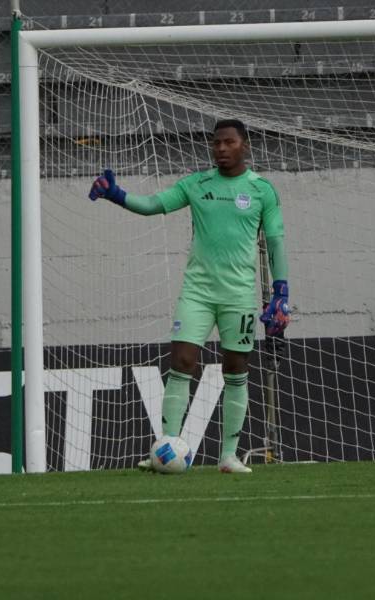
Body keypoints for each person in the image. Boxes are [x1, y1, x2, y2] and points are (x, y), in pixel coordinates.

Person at [88, 118, 290, 474]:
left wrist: (281, 292)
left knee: (236, 369)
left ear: (245, 145)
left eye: (229, 142)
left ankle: (228, 456)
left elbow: (275, 241)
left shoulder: (261, 190)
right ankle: (166, 446)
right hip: (197, 292)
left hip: (239, 296)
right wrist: (116, 194)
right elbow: (153, 205)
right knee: (181, 361)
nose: (221, 149)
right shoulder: (197, 185)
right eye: (216, 143)